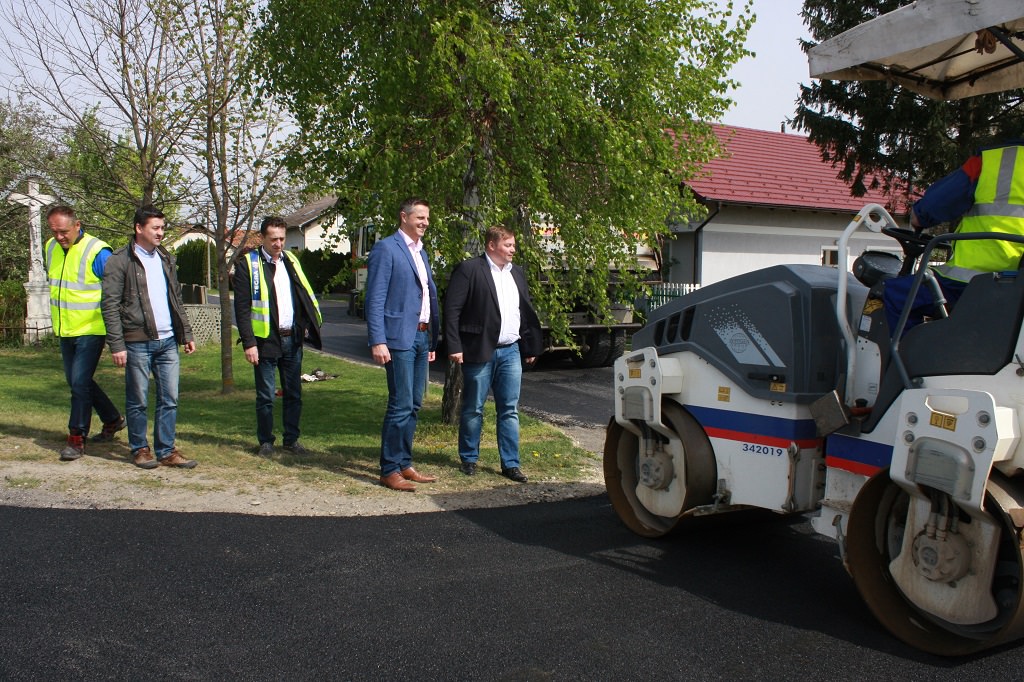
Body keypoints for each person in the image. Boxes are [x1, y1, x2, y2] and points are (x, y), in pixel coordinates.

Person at [883, 141, 1024, 332]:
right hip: (1017, 287)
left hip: (975, 279)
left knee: (896, 294)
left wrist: (920, 216)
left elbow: (936, 204)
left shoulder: (995, 160)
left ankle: (904, 351)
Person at [444, 226, 543, 482]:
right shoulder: (469, 269)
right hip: (479, 350)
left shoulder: (516, 272)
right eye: (508, 245)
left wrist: (530, 346)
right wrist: (454, 346)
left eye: (513, 245)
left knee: (509, 409)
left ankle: (511, 464)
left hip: (511, 351)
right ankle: (469, 458)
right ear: (491, 245)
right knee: (473, 408)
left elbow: (524, 311)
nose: (513, 250)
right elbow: (452, 310)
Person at [102, 205, 197, 469]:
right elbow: (109, 305)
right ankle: (140, 449)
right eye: (155, 228)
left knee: (170, 399)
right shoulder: (120, 260)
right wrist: (117, 344)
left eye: (162, 228)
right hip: (137, 342)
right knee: (138, 400)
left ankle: (166, 451)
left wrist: (186, 333)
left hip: (168, 342)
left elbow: (176, 299)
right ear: (138, 228)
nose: (160, 233)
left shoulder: (166, 258)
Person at [365, 197, 440, 492]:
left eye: (427, 218)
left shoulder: (421, 252)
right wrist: (378, 340)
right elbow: (375, 298)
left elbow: (426, 296)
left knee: (414, 404)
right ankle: (389, 469)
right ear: (404, 217)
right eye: (420, 217)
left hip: (421, 336)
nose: (425, 223)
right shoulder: (387, 248)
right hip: (398, 338)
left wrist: (431, 338)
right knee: (400, 403)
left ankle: (404, 463)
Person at [233, 216, 323, 457]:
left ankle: (291, 440)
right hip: (265, 341)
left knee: (294, 393)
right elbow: (242, 309)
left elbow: (302, 295)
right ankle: (266, 442)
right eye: (273, 239)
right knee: (266, 396)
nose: (279, 243)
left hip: (291, 339)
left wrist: (305, 325)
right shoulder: (248, 265)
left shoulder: (291, 260)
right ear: (262, 238)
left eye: (282, 238)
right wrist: (249, 343)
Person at [44, 205, 125, 461]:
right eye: (54, 231)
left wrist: (117, 333)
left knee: (79, 383)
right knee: (77, 381)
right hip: (65, 328)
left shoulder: (98, 251)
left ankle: (76, 438)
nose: (59, 237)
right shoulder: (50, 247)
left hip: (92, 328)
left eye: (63, 232)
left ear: (77, 225)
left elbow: (116, 291)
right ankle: (112, 419)